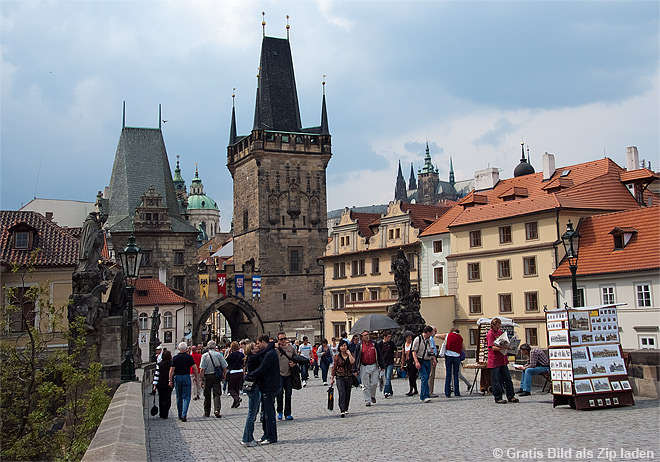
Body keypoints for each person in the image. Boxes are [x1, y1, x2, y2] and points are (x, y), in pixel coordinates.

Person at [244, 334, 280, 446]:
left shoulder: (270, 354)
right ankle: (266, 435)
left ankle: (271, 437)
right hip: (266, 386)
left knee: (269, 413)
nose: (258, 346)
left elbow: (262, 369)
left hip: (269, 386)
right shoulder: (267, 353)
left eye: (258, 343)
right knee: (265, 413)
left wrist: (249, 376)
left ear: (262, 342)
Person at [487, 318, 519, 404]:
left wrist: (508, 345)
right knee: (496, 380)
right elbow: (492, 347)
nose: (498, 328)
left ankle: (511, 396)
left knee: (507, 379)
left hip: (503, 358)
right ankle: (498, 397)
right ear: (493, 326)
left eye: (499, 326)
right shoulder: (490, 334)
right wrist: (503, 348)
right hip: (494, 359)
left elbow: (504, 342)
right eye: (496, 327)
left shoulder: (500, 332)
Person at [168, 342, 200, 421]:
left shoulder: (175, 358)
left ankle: (180, 414)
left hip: (178, 377)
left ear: (179, 349)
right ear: (186, 349)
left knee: (179, 397)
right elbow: (195, 368)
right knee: (186, 397)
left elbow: (171, 370)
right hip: (186, 376)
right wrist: (196, 377)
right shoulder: (189, 357)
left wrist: (170, 380)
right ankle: (184, 414)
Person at [355, 330, 384, 406]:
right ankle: (367, 400)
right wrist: (355, 369)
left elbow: (379, 355)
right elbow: (356, 358)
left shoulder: (374, 344)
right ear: (362, 337)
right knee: (365, 384)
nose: (367, 336)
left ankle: (372, 395)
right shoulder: (359, 346)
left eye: (368, 334)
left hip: (374, 365)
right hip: (364, 366)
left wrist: (382, 365)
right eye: (365, 335)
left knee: (374, 382)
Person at [199, 340, 227, 418]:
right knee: (217, 393)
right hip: (216, 376)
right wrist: (224, 375)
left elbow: (202, 369)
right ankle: (217, 410)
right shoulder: (218, 355)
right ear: (215, 347)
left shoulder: (204, 356)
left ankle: (207, 412)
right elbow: (224, 366)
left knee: (207, 394)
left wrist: (201, 379)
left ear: (208, 347)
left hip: (207, 376)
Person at [330, 339, 356, 417]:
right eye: (342, 346)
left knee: (347, 393)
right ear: (339, 347)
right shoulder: (337, 357)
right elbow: (334, 368)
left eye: (345, 345)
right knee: (342, 393)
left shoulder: (349, 355)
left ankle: (346, 408)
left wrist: (350, 354)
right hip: (340, 377)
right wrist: (332, 378)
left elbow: (352, 362)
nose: (343, 347)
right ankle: (342, 409)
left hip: (349, 377)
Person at [412, 326, 437, 403]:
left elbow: (430, 350)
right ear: (428, 332)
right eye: (431, 333)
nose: (431, 335)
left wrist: (434, 359)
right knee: (424, 377)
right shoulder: (418, 339)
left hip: (428, 360)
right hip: (421, 361)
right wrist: (416, 361)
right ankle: (425, 396)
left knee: (426, 378)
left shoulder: (428, 340)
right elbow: (414, 351)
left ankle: (423, 395)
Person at [275, 333, 296, 420]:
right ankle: (279, 411)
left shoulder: (291, 348)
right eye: (281, 339)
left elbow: (296, 358)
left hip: (289, 374)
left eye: (285, 338)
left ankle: (288, 413)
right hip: (279, 374)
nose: (283, 340)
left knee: (288, 394)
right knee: (279, 394)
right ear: (278, 340)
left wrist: (294, 363)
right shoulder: (275, 350)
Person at [441, 327, 465, 398]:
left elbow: (437, 336)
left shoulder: (448, 335)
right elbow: (464, 348)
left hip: (448, 355)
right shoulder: (460, 337)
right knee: (456, 375)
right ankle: (457, 392)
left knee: (448, 374)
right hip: (457, 356)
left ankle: (447, 392)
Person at [225, 341, 245, 408]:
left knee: (231, 388)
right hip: (240, 372)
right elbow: (244, 363)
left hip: (233, 372)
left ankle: (237, 398)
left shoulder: (231, 355)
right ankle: (235, 403)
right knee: (237, 388)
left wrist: (228, 354)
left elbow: (225, 362)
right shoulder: (241, 354)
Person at [154, 350, 173, 419]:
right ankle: (165, 412)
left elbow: (156, 375)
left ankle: (161, 412)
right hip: (169, 384)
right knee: (168, 398)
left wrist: (154, 385)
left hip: (160, 384)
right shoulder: (172, 364)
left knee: (161, 398)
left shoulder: (159, 364)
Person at [378, 332, 396, 398]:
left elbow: (396, 350)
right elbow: (378, 353)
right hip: (383, 363)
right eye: (388, 337)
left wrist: (396, 359)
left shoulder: (391, 343)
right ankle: (390, 391)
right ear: (384, 337)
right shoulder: (380, 344)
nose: (390, 338)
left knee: (388, 377)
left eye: (390, 337)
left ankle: (386, 391)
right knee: (385, 378)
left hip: (390, 362)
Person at [428, 326, 439, 398]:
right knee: (431, 375)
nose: (436, 333)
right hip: (431, 358)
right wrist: (434, 359)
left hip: (430, 358)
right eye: (435, 331)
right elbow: (431, 349)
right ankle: (430, 391)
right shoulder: (431, 339)